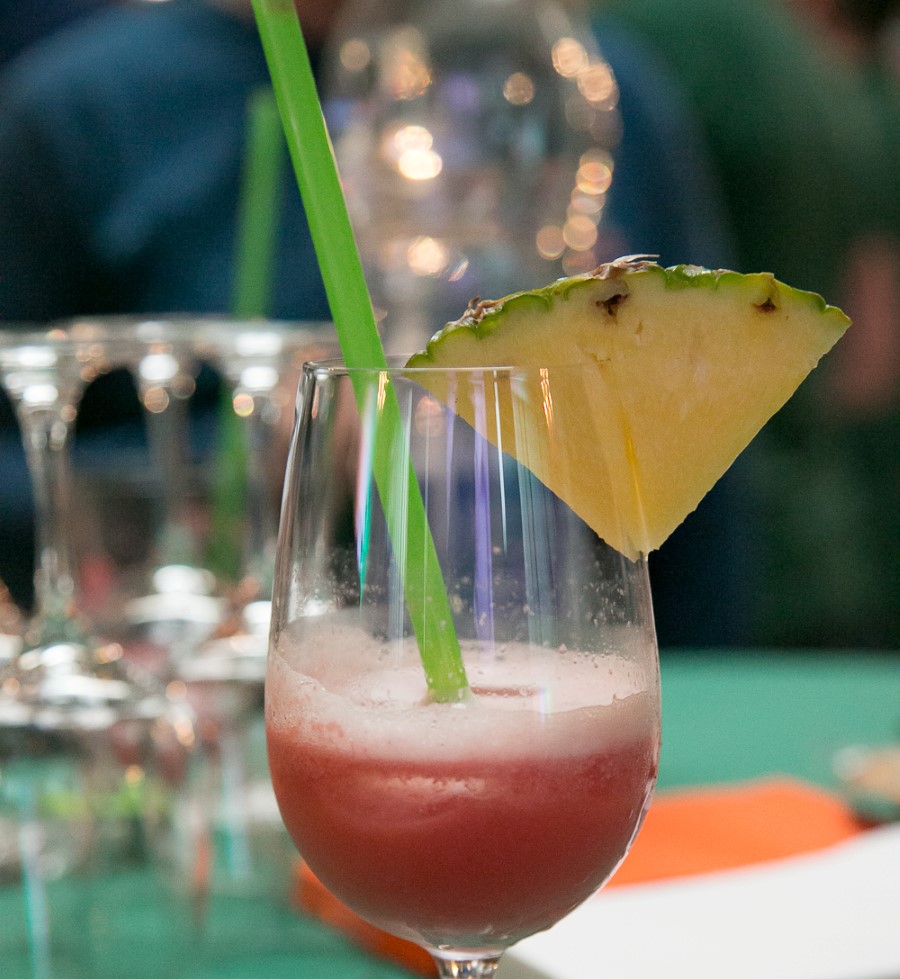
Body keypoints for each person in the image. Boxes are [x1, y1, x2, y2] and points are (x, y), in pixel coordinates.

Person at [0, 0, 747, 645]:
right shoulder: (81, 112)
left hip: (556, 640)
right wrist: (256, 453)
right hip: (207, 667)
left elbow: (706, 436)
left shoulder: (578, 80)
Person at [604, 0, 900, 648]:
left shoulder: (662, 39)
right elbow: (871, 358)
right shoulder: (820, 72)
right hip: (829, 536)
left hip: (723, 554)